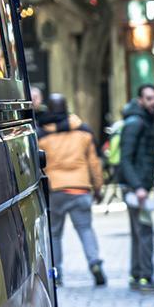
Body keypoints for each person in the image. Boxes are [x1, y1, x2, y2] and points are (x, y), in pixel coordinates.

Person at [38, 93, 106, 287]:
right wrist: (98, 188)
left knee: (55, 234)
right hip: (80, 188)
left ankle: (57, 273)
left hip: (55, 190)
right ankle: (95, 264)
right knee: (85, 229)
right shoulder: (83, 131)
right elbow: (94, 163)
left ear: (49, 108)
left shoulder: (41, 134)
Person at [120, 84, 154, 291]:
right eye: (148, 98)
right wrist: (138, 187)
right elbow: (125, 159)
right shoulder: (135, 123)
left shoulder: (146, 121)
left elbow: (151, 156)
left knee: (139, 232)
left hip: (138, 187)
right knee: (144, 232)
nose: (153, 101)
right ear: (140, 100)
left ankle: (137, 275)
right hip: (136, 190)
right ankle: (146, 276)